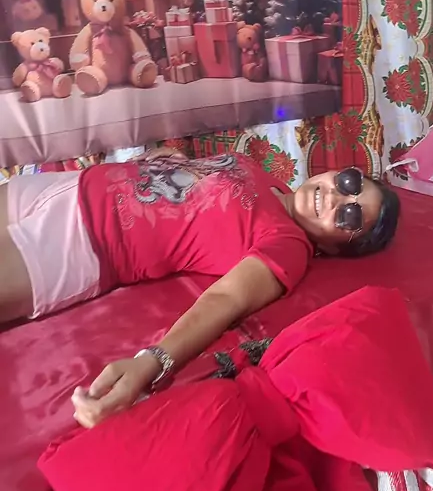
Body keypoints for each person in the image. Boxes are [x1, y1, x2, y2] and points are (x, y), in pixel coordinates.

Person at [0, 147, 400, 427]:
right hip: (71, 186)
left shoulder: (289, 247)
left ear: (337, 248)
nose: (335, 197)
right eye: (349, 182)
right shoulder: (265, 176)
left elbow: (226, 299)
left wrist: (150, 364)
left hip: (83, 242)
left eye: (349, 216)